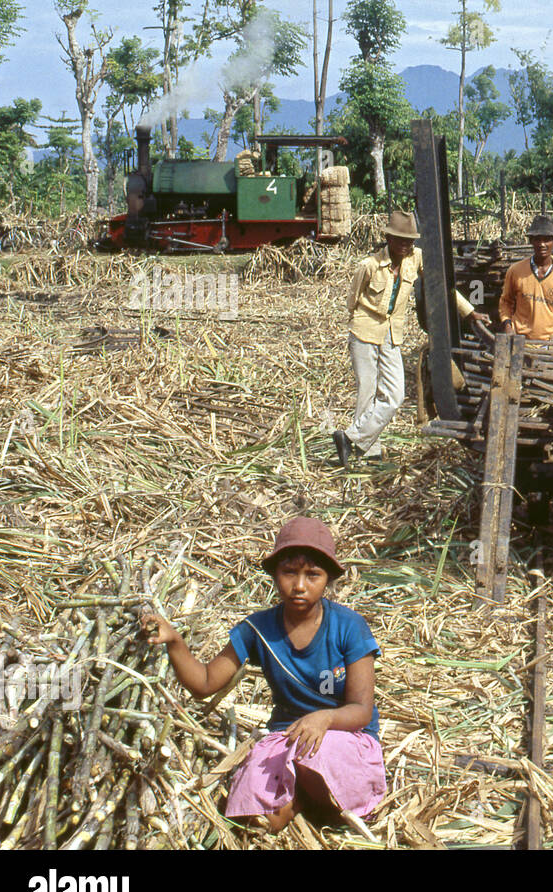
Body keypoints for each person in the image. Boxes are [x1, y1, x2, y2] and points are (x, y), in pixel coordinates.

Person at [141, 517, 386, 833]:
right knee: (255, 820)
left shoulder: (349, 627)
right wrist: (174, 641)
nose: (299, 585)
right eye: (288, 573)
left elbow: (361, 710)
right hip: (284, 740)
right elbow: (204, 683)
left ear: (328, 580)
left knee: (316, 760)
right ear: (274, 575)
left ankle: (309, 799)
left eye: (313, 575)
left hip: (344, 736)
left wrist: (323, 719)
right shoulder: (258, 629)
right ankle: (296, 799)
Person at [334, 210, 483, 467]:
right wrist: (358, 325)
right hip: (364, 332)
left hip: (392, 335)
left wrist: (469, 312)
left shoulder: (416, 259)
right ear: (389, 239)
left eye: (410, 241)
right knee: (367, 391)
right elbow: (352, 301)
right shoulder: (368, 266)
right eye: (401, 240)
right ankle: (367, 449)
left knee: (394, 395)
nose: (405, 245)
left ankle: (350, 439)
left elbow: (440, 285)